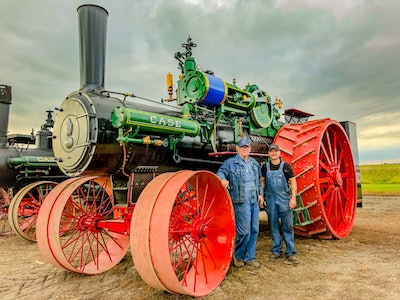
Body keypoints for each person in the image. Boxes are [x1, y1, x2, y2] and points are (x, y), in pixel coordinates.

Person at [216, 137, 264, 268]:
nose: (245, 149)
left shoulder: (254, 164)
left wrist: (260, 194)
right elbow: (220, 172)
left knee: (254, 230)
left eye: (247, 147)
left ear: (250, 149)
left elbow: (259, 181)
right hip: (241, 201)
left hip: (254, 200)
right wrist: (222, 179)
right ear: (237, 148)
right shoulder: (230, 163)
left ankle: (249, 257)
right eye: (242, 147)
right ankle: (238, 255)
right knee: (244, 231)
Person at [261, 143, 299, 265]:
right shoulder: (265, 167)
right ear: (268, 154)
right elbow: (262, 182)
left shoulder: (286, 167)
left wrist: (293, 198)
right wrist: (261, 196)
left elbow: (293, 183)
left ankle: (290, 252)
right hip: (270, 200)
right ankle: (276, 250)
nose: (273, 153)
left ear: (279, 153)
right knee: (273, 226)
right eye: (271, 151)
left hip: (284, 199)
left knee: (287, 226)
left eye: (275, 151)